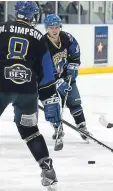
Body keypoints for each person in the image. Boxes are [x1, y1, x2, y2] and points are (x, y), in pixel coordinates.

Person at [0, 1, 60, 189]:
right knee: (30, 131)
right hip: (27, 91)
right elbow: (46, 73)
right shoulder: (39, 38)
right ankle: (47, 168)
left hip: (1, 86)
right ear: (34, 16)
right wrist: (49, 98)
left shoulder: (1, 28)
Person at [43, 14, 92, 146]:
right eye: (51, 27)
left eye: (57, 27)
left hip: (66, 76)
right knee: (52, 105)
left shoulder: (67, 38)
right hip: (49, 81)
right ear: (46, 28)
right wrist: (58, 82)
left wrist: (73, 66)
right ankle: (58, 128)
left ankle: (82, 127)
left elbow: (75, 51)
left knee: (74, 100)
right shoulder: (42, 44)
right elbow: (44, 68)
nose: (54, 30)